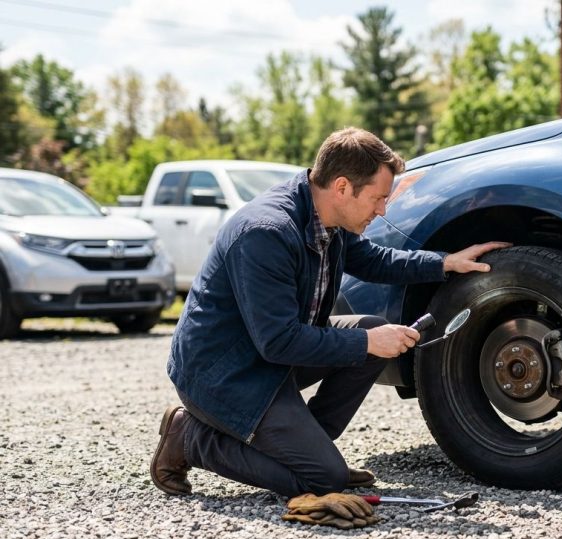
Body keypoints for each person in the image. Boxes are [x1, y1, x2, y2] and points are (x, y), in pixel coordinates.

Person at [150, 127, 509, 502]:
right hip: (224, 374)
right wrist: (369, 342)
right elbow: (278, 341)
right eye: (378, 198)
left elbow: (374, 260)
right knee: (324, 481)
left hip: (264, 357)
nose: (382, 209)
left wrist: (446, 262)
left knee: (372, 331)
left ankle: (311, 451)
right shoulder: (266, 234)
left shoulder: (325, 217)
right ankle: (189, 438)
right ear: (342, 187)